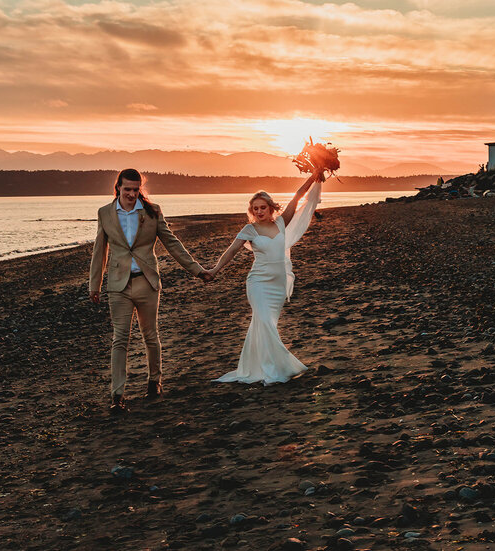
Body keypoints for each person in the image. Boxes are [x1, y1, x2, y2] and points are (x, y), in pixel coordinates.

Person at [89, 168, 211, 415]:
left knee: (150, 335)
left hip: (147, 282)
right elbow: (99, 250)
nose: (132, 194)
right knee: (119, 339)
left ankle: (154, 381)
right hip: (118, 284)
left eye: (136, 189)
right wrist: (95, 285)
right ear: (118, 188)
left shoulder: (152, 212)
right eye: (127, 190)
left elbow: (172, 243)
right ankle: (117, 395)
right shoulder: (105, 213)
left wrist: (197, 271)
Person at [208, 170, 322, 384]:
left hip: (278, 285)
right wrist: (215, 270)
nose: (259, 211)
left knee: (265, 324)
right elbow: (231, 251)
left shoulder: (281, 223)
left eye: (262, 207)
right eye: (255, 208)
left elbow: (297, 197)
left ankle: (258, 366)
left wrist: (314, 175)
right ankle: (279, 367)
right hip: (258, 283)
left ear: (270, 208)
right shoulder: (249, 230)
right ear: (251, 211)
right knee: (264, 322)